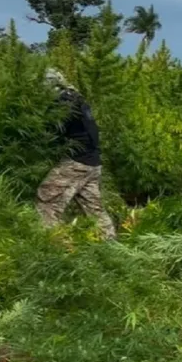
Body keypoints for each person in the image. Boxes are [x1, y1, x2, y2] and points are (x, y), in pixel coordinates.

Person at [35, 68, 116, 240]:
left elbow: (51, 132)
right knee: (93, 207)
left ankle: (52, 245)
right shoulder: (77, 99)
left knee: (47, 198)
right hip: (93, 162)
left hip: (77, 162)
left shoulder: (64, 102)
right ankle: (110, 243)